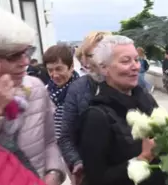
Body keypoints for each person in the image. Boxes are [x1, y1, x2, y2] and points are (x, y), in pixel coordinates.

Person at [78, 35, 166, 185]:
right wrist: (143, 158)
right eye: (126, 61)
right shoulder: (96, 116)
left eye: (136, 60)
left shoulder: (146, 100)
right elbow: (97, 178)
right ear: (104, 68)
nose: (135, 66)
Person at [0, 8, 65, 185]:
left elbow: (51, 140)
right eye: (14, 55)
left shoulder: (35, 87)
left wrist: (54, 172)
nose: (26, 61)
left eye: (27, 52)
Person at [58, 31, 112, 185]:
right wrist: (77, 163)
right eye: (89, 55)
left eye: (98, 54)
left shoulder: (131, 86)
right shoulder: (77, 89)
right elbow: (65, 136)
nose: (92, 61)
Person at [43, 44, 79, 139]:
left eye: (59, 69)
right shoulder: (45, 91)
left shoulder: (82, 91)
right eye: (50, 70)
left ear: (71, 67)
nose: (55, 75)